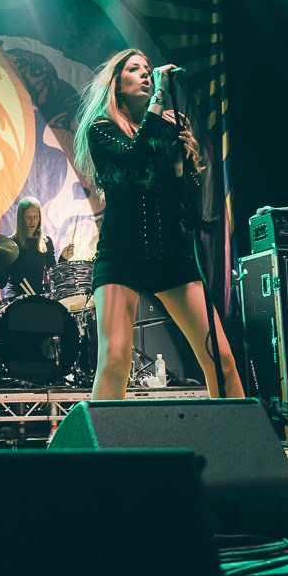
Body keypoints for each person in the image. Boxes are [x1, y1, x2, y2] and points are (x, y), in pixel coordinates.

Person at [72, 49, 244, 400]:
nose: (147, 75)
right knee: (116, 358)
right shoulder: (101, 130)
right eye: (135, 70)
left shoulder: (165, 129)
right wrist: (161, 95)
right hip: (122, 254)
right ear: (117, 85)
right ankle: (102, 453)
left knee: (221, 357)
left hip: (171, 253)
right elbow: (134, 161)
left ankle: (243, 448)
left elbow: (190, 207)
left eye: (149, 70)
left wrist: (183, 166)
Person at [0, 196, 73, 300]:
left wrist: (63, 258)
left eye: (35, 216)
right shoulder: (11, 244)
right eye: (28, 217)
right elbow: (0, 283)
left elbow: (55, 275)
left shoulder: (46, 242)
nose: (32, 221)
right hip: (15, 297)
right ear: (21, 218)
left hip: (38, 296)